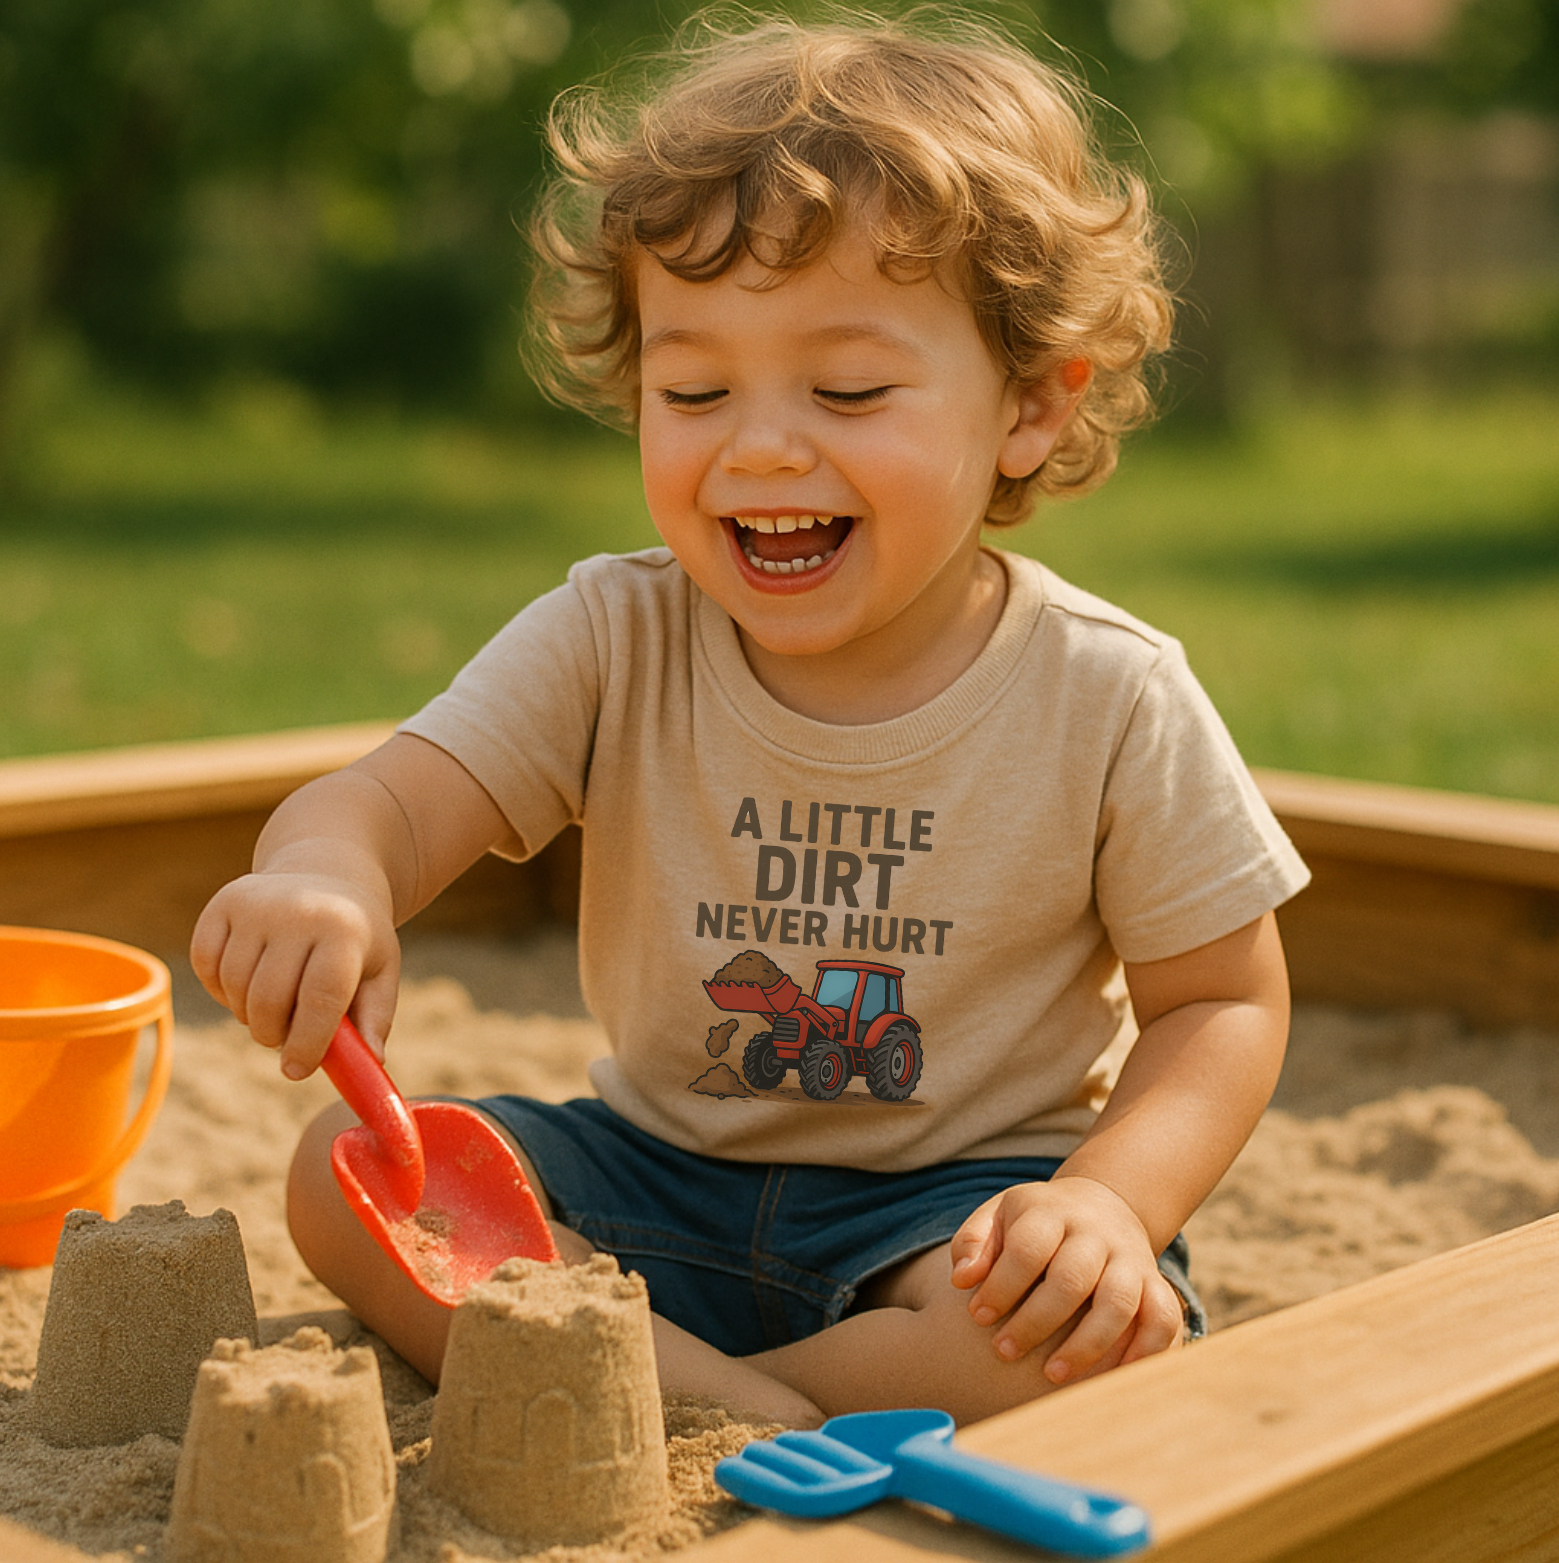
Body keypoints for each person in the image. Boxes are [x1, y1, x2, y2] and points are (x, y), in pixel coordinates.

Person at [191, 12, 1309, 1428]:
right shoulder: (615, 632)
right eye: (693, 387)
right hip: (648, 1174)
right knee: (334, 1177)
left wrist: (1101, 1201)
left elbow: (1218, 1002)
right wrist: (323, 877)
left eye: (845, 388)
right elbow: (393, 800)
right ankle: (751, 1412)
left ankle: (648, 1392)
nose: (759, 443)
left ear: (1028, 403)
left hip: (950, 1211)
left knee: (1078, 1329)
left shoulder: (1108, 691)